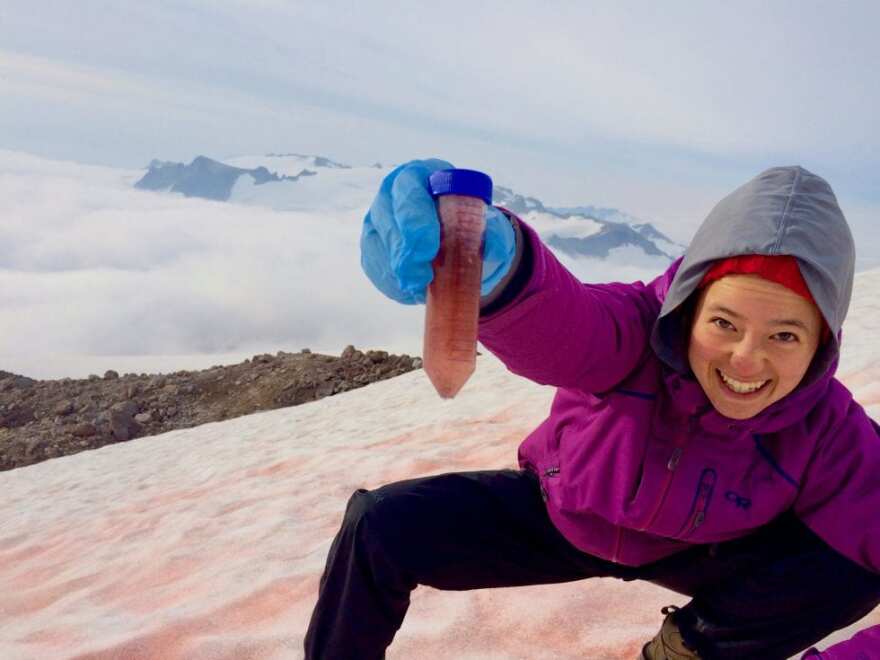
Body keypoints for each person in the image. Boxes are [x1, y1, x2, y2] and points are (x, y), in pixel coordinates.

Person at [304, 161, 880, 659]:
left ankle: (688, 652)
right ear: (688, 308)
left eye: (784, 336)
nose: (746, 360)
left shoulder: (828, 428)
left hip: (704, 551)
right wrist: (495, 268)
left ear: (821, 343)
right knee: (381, 525)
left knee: (851, 566)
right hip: (567, 516)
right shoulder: (637, 330)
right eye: (724, 324)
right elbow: (568, 325)